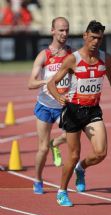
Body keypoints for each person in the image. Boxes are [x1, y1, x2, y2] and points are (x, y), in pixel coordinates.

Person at [47, 20, 111, 206]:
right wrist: (58, 97)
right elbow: (52, 83)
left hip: (93, 110)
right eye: (92, 37)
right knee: (74, 154)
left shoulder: (105, 58)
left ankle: (81, 168)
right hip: (74, 111)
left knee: (101, 153)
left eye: (99, 38)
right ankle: (62, 191)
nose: (95, 42)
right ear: (85, 36)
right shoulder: (72, 59)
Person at [28, 17, 72, 194]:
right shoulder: (44, 55)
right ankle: (37, 179)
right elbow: (31, 83)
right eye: (61, 30)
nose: (64, 34)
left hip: (63, 105)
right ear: (52, 31)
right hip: (45, 106)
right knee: (43, 148)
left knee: (71, 136)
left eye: (67, 30)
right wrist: (47, 81)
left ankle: (56, 143)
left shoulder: (72, 55)